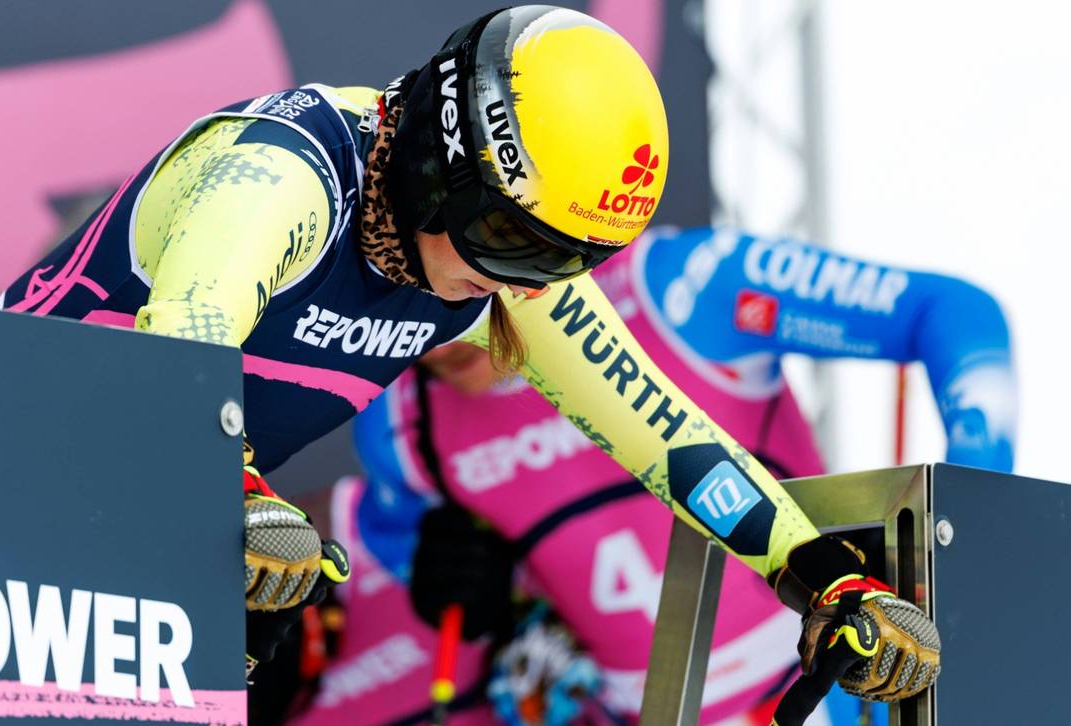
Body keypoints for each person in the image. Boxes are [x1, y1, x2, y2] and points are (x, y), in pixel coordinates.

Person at [0, 6, 940, 722]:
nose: (517, 281)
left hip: (103, 532)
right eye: (507, 239)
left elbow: (671, 438)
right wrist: (237, 500)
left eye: (560, 259)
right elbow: (181, 347)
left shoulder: (497, 270)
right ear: (438, 162)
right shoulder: (286, 172)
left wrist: (825, 576)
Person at [276, 225, 1011, 725]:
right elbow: (414, 551)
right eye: (427, 295)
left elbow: (952, 314)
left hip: (827, 693)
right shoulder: (400, 412)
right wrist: (466, 587)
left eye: (479, 280)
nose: (449, 324)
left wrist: (972, 525)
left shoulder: (679, 288)